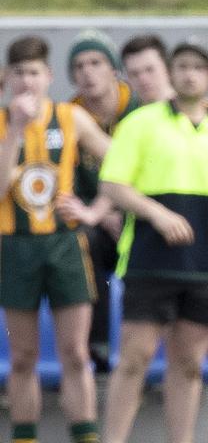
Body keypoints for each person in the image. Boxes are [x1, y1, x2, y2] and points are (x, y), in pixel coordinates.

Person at [99, 39, 208, 443]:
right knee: (135, 359)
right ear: (172, 72)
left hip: (202, 264)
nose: (189, 74)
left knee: (188, 364)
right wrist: (157, 212)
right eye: (181, 66)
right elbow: (113, 185)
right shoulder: (141, 123)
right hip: (149, 261)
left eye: (197, 67)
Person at [0, 34, 112, 443]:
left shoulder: (69, 117)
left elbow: (120, 164)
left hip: (65, 244)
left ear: (48, 76)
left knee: (75, 353)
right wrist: (14, 128)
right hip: (13, 247)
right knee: (24, 356)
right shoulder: (1, 122)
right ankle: (25, 436)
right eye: (19, 73)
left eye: (34, 72)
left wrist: (95, 211)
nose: (27, 82)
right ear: (7, 79)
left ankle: (86, 435)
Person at [65, 29, 140, 372]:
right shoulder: (66, 117)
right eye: (79, 65)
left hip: (140, 215)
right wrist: (92, 212)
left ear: (114, 70)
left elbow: (149, 172)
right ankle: (97, 344)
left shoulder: (141, 110)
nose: (87, 72)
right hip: (93, 222)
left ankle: (145, 347)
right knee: (84, 241)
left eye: (96, 62)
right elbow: (63, 181)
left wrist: (116, 208)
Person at [120, 34, 174, 105]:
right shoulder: (131, 115)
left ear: (168, 68)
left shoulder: (190, 112)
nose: (142, 79)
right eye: (134, 74)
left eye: (150, 70)